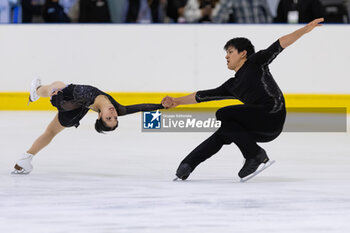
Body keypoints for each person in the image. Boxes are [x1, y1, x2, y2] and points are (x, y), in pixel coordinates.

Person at [162, 18, 324, 181]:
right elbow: (202, 96)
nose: (226, 56)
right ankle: (187, 165)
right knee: (226, 130)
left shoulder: (256, 62)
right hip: (261, 129)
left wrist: (304, 30)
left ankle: (255, 155)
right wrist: (176, 101)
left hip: (272, 115)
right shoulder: (232, 85)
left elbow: (280, 44)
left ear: (243, 53)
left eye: (230, 52)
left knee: (224, 114)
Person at [13, 78, 165, 174]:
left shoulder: (84, 96)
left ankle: (37, 91)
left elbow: (63, 106)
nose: (112, 113)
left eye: (108, 118)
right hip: (75, 104)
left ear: (100, 116)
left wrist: (57, 96)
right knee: (50, 129)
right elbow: (140, 108)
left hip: (69, 109)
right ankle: (24, 161)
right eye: (114, 118)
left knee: (56, 92)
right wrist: (162, 106)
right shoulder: (117, 108)